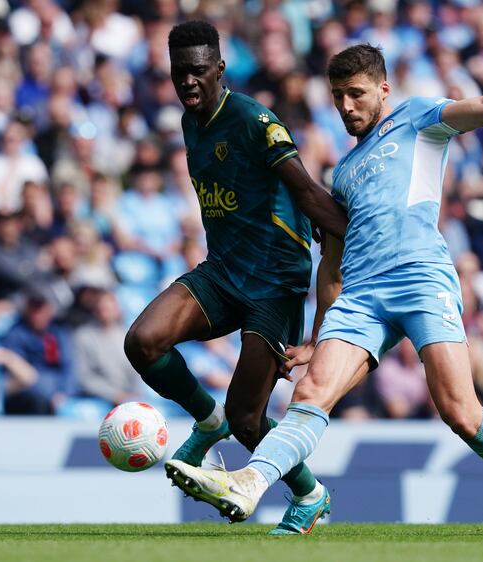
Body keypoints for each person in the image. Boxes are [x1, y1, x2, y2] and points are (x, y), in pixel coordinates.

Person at [167, 44, 483, 536]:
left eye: (357, 94)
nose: (346, 107)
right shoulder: (341, 173)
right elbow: (332, 263)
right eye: (338, 96)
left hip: (420, 275)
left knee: (460, 412)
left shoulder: (417, 118)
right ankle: (250, 483)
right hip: (362, 297)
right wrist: (316, 337)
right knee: (311, 392)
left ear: (384, 89)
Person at [122, 21, 348, 535]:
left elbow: (310, 193)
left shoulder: (253, 120)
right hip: (223, 272)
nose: (188, 83)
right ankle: (207, 422)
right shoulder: (189, 121)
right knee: (143, 342)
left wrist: (355, 238)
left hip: (275, 283)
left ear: (220, 68)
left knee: (249, 419)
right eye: (180, 73)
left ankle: (310, 494)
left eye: (198, 72)